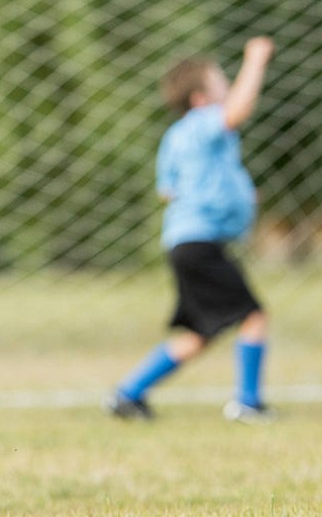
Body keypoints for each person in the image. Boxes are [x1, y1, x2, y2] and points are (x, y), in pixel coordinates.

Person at [107, 36, 276, 424]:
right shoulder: (203, 124)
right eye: (221, 82)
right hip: (200, 243)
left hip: (185, 243)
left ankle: (128, 394)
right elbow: (236, 112)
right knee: (253, 317)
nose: (229, 87)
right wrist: (255, 61)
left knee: (201, 334)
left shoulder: (175, 137)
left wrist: (234, 195)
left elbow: (168, 190)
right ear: (200, 98)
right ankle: (248, 405)